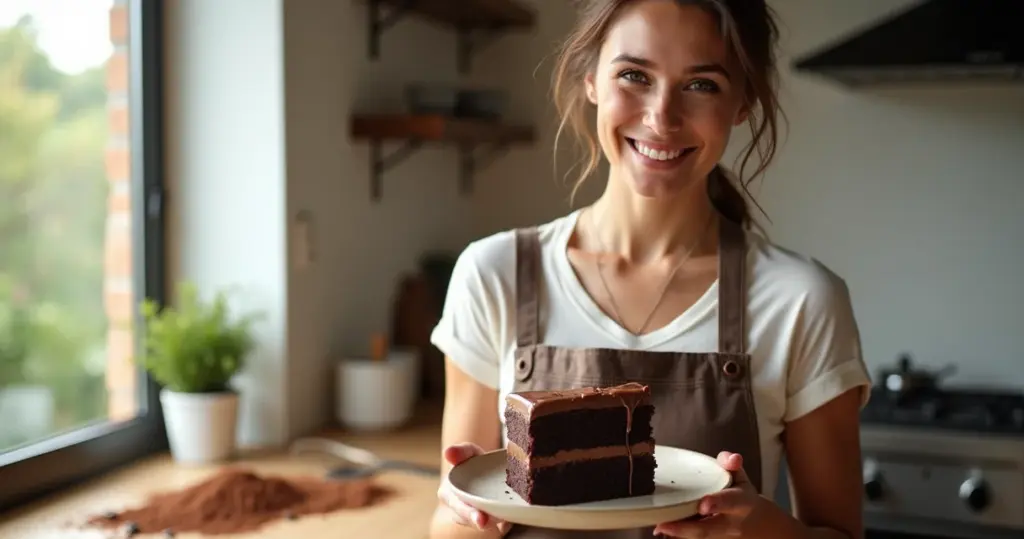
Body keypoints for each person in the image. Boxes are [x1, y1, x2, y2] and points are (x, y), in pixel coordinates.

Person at [429, 0, 871, 537]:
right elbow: (448, 523)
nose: (662, 116)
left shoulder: (801, 301)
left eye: (702, 84)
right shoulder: (495, 275)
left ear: (742, 103)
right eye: (635, 75)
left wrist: (760, 530)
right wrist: (472, 515)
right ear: (591, 79)